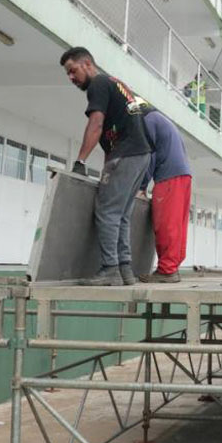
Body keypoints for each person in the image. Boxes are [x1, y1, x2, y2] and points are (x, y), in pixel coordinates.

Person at [60, 47, 151, 286]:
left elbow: (96, 124)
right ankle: (125, 271)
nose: (71, 78)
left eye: (73, 71)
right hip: (140, 155)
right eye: (67, 74)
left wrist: (80, 161)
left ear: (87, 63)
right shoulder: (116, 83)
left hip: (128, 153)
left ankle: (109, 269)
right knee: (121, 215)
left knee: (108, 212)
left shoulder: (98, 84)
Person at [138, 110, 192, 283]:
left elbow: (149, 155)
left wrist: (142, 186)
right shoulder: (162, 120)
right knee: (178, 224)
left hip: (169, 176)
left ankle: (166, 270)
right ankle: (172, 267)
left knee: (166, 223)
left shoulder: (148, 121)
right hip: (184, 175)